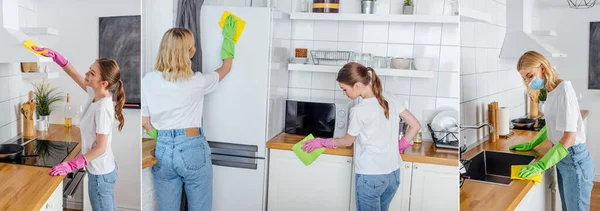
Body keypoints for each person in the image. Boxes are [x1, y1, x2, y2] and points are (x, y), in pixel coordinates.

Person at [141, 16, 237, 210]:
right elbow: (225, 68)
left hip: (164, 149)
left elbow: (145, 122)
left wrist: (161, 137)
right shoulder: (197, 81)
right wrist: (229, 40)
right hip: (192, 148)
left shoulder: (148, 80)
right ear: (190, 52)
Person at [302, 62, 421, 211]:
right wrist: (401, 144)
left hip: (371, 176)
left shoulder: (360, 110)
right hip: (393, 174)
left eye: (344, 89)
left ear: (357, 85)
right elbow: (415, 125)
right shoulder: (390, 98)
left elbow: (347, 141)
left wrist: (321, 141)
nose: (344, 93)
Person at [36, 46, 125, 211]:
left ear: (103, 83)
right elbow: (74, 74)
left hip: (101, 175)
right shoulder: (96, 93)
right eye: (89, 70)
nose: (86, 74)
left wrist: (72, 165)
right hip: (103, 170)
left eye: (92, 73)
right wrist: (58, 57)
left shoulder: (102, 108)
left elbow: (100, 148)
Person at [511, 51, 595, 210]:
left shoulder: (564, 89)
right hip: (563, 158)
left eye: (530, 75)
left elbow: (569, 137)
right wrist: (533, 143)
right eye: (525, 78)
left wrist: (541, 165)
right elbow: (554, 123)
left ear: (542, 67)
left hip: (574, 159)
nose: (528, 82)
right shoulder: (551, 90)